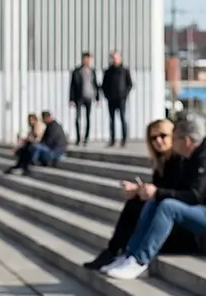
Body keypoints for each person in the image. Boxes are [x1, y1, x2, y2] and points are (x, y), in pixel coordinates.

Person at [104, 115, 206, 280]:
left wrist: (157, 192)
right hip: (198, 211)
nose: (172, 143)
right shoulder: (192, 157)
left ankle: (140, 260)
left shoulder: (202, 158)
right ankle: (130, 254)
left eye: (174, 139)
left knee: (167, 206)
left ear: (186, 141)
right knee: (155, 202)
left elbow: (195, 195)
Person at [84, 120, 182, 271]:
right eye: (153, 138)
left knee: (140, 203)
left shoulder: (180, 160)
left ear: (173, 136)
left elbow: (175, 192)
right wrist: (138, 189)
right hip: (165, 210)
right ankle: (115, 250)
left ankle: (122, 252)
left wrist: (147, 191)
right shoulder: (162, 162)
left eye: (163, 136)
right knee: (135, 201)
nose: (158, 141)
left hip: (175, 219)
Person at [102, 51, 133, 148]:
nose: (115, 60)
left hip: (121, 99)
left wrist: (125, 94)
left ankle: (124, 139)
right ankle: (112, 139)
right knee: (112, 120)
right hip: (111, 99)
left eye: (116, 58)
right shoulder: (108, 71)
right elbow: (104, 85)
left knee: (123, 118)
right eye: (113, 58)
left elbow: (130, 84)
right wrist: (107, 95)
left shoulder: (124, 70)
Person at [69, 52, 100, 146]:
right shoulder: (77, 71)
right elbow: (72, 86)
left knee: (88, 118)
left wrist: (97, 98)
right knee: (78, 117)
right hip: (79, 97)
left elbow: (95, 84)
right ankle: (78, 138)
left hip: (89, 96)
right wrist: (71, 99)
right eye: (85, 59)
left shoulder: (92, 71)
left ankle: (86, 137)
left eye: (88, 59)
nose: (86, 61)